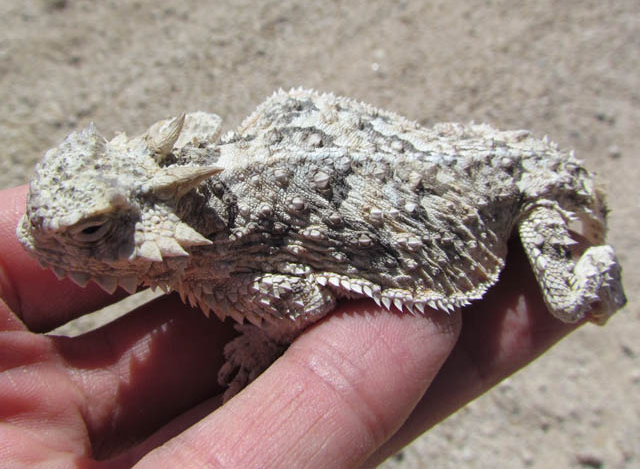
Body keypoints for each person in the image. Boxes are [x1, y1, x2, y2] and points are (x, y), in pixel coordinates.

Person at [0, 185, 576, 468]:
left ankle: (580, 274)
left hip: (435, 201)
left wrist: (258, 339)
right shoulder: (193, 246)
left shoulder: (219, 264)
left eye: (91, 232)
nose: (33, 237)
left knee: (564, 299)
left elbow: (299, 301)